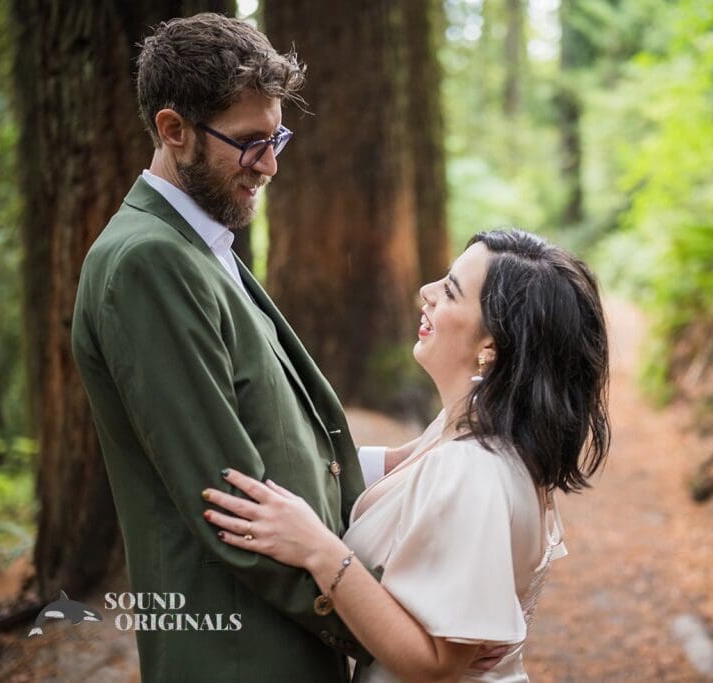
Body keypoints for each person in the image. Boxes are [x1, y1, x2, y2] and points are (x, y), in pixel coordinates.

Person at [70, 13, 413, 682]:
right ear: (174, 130)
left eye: (276, 137)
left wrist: (381, 465)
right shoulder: (146, 263)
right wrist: (388, 628)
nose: (271, 164)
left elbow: (266, 431)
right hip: (237, 654)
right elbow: (232, 503)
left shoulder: (199, 246)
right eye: (251, 142)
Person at [203, 229, 612, 682]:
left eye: (451, 291)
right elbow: (395, 472)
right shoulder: (470, 429)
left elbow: (436, 666)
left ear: (490, 345)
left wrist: (316, 548)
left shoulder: (472, 469)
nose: (426, 291)